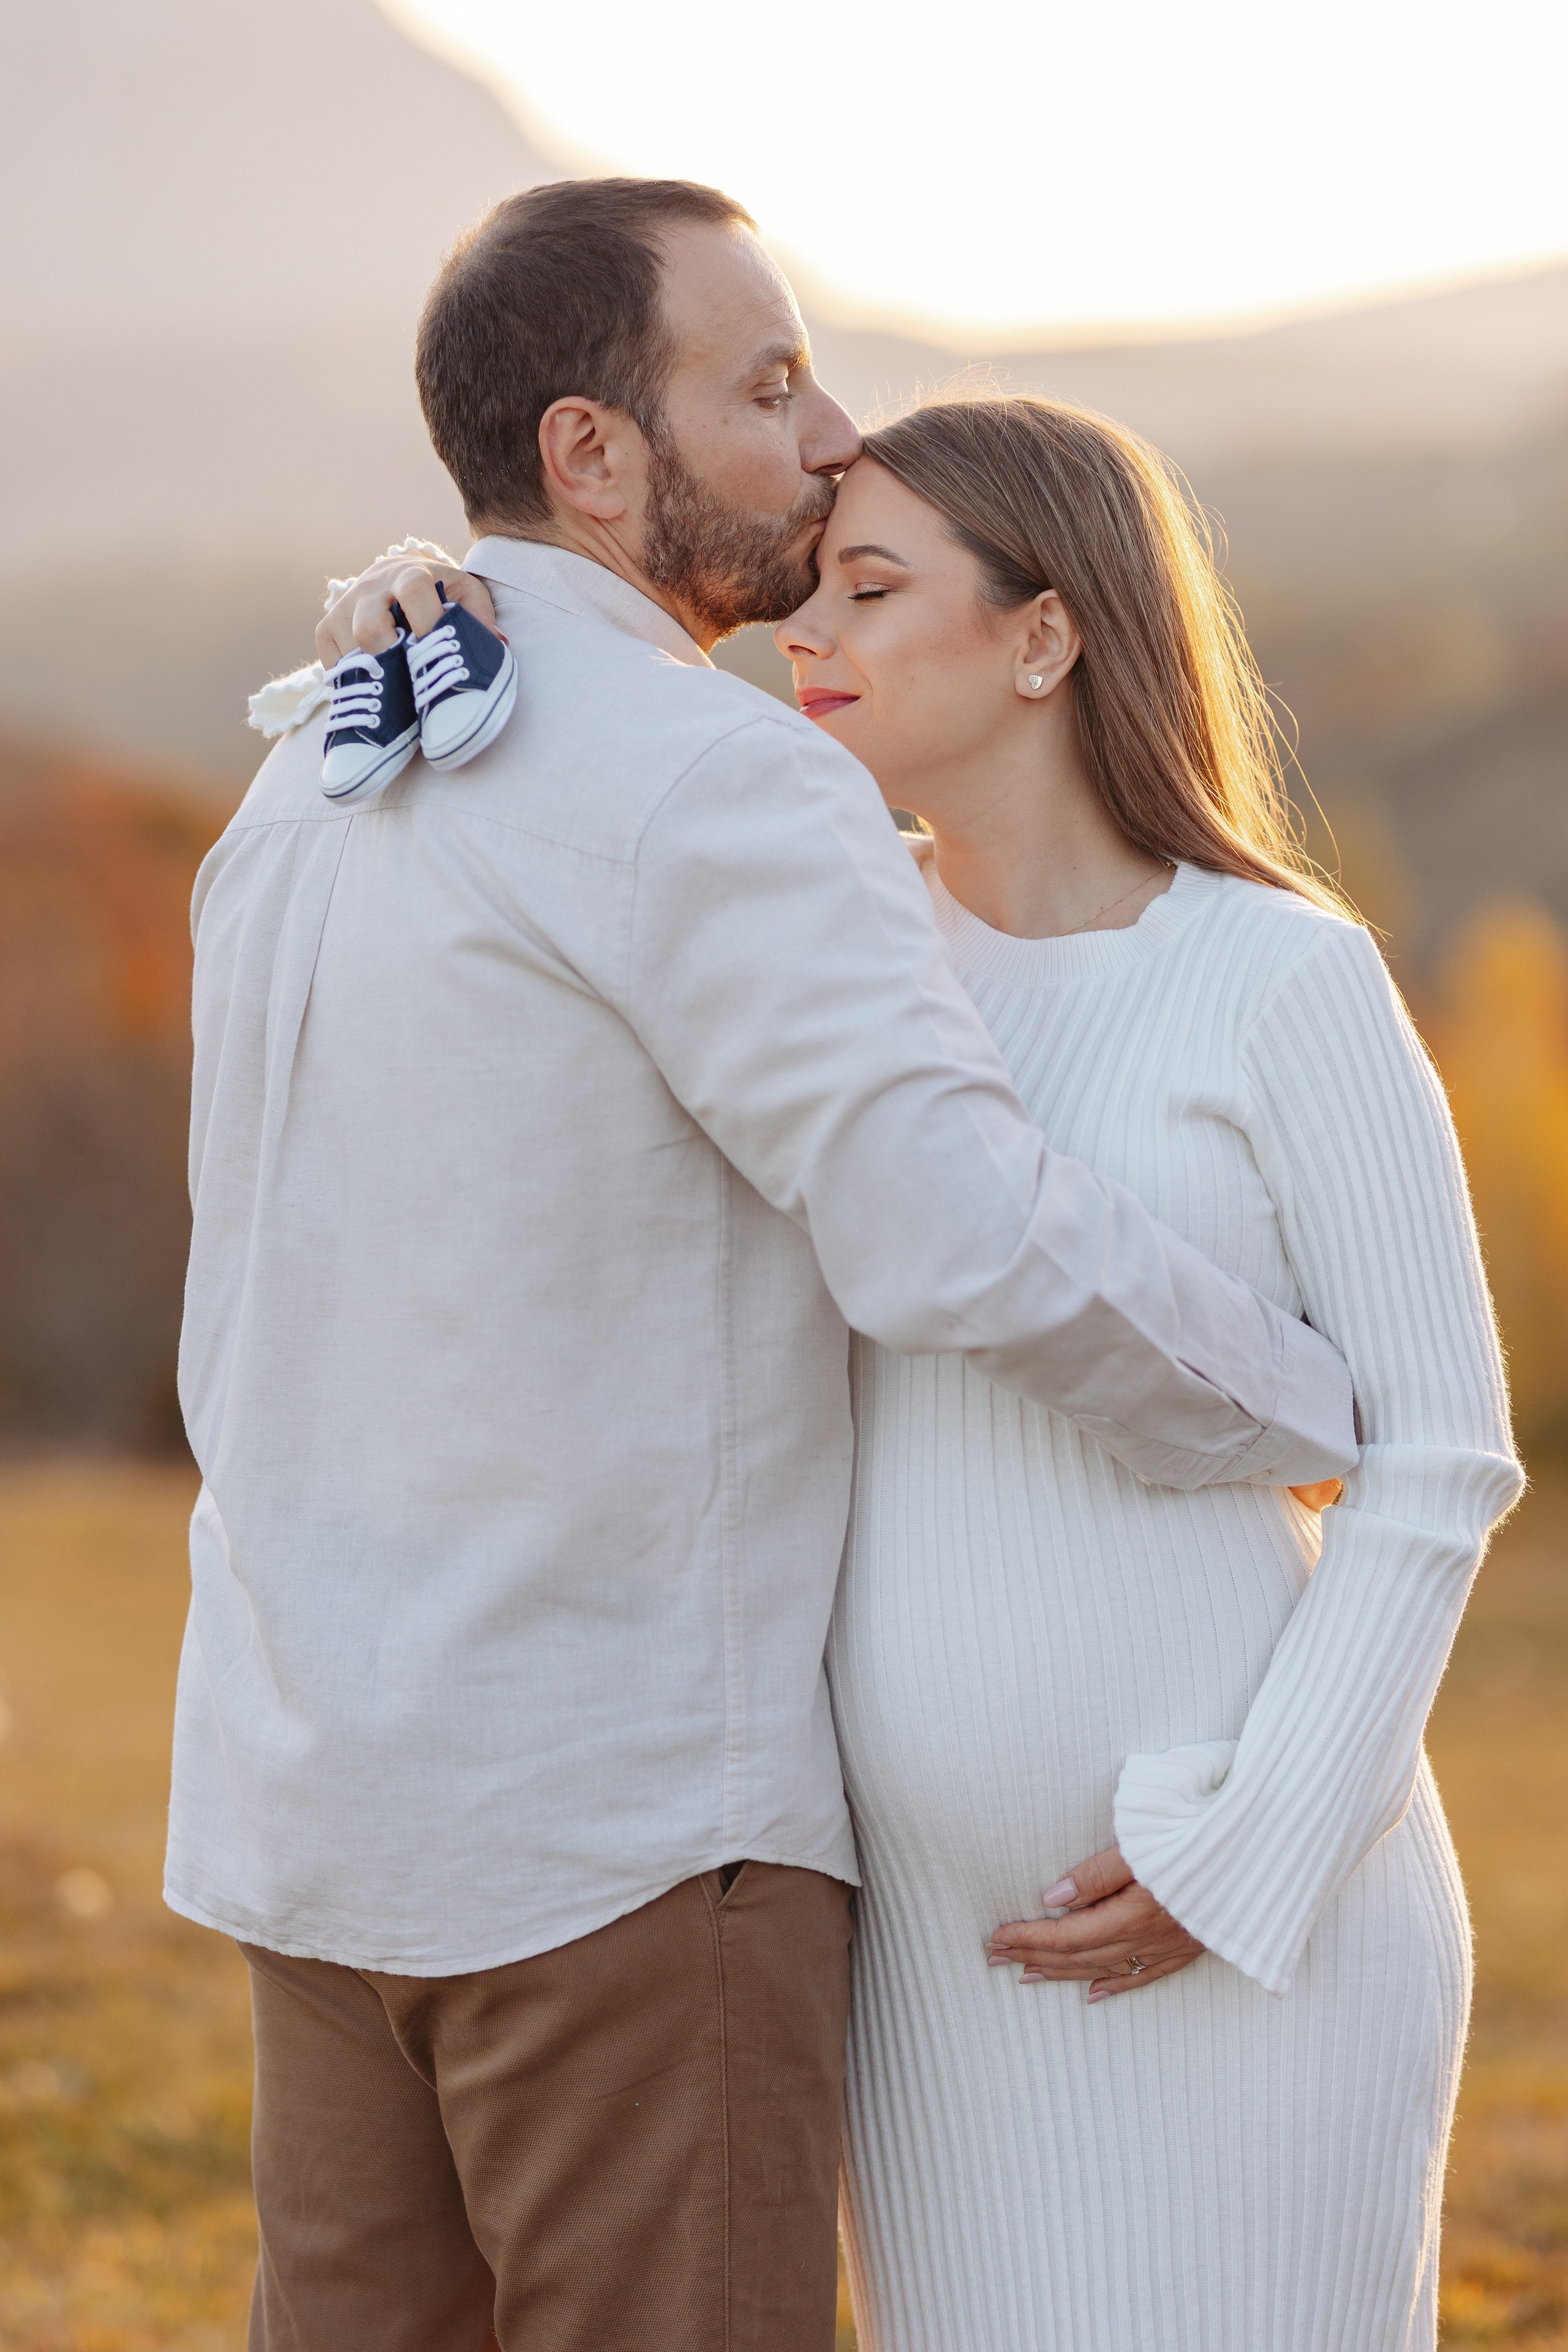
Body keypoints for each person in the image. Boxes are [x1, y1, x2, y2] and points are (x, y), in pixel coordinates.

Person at [195, 178, 1357, 2352]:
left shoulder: (308, 768)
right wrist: (1309, 1398)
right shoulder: (719, 780)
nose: (834, 439)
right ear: (591, 455)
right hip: (621, 1844)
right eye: (766, 384)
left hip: (313, 1807)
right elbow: (958, 1233)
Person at [763, 397, 1521, 2351]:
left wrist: (1247, 1851)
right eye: (800, 591)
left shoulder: (1283, 978)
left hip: (1248, 1933)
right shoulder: (833, 978)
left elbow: (1441, 1463)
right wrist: (419, 631)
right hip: (927, 1951)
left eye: (866, 585)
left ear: (1043, 634)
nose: (803, 633)